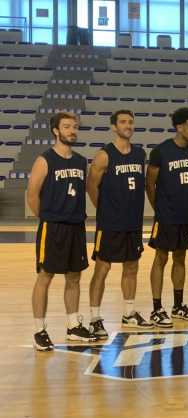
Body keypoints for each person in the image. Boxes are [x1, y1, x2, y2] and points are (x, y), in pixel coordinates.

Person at [27, 112, 95, 351]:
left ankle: (72, 326)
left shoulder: (80, 161)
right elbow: (32, 195)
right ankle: (39, 329)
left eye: (74, 127)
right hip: (53, 227)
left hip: (76, 227)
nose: (72, 130)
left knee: (74, 277)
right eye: (66, 127)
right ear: (56, 131)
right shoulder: (44, 160)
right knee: (45, 276)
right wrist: (47, 218)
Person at [87, 110, 152, 339]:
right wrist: (104, 210)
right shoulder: (104, 155)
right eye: (123, 122)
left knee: (131, 267)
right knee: (102, 269)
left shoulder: (139, 153)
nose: (128, 125)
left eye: (131, 122)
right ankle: (95, 319)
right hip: (110, 223)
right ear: (114, 127)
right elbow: (91, 186)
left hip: (132, 222)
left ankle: (128, 313)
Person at [146, 107, 188, 326]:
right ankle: (156, 308)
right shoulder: (161, 152)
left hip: (185, 216)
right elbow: (149, 184)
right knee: (161, 258)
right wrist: (159, 209)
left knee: (181, 258)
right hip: (166, 216)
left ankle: (178, 305)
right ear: (179, 127)